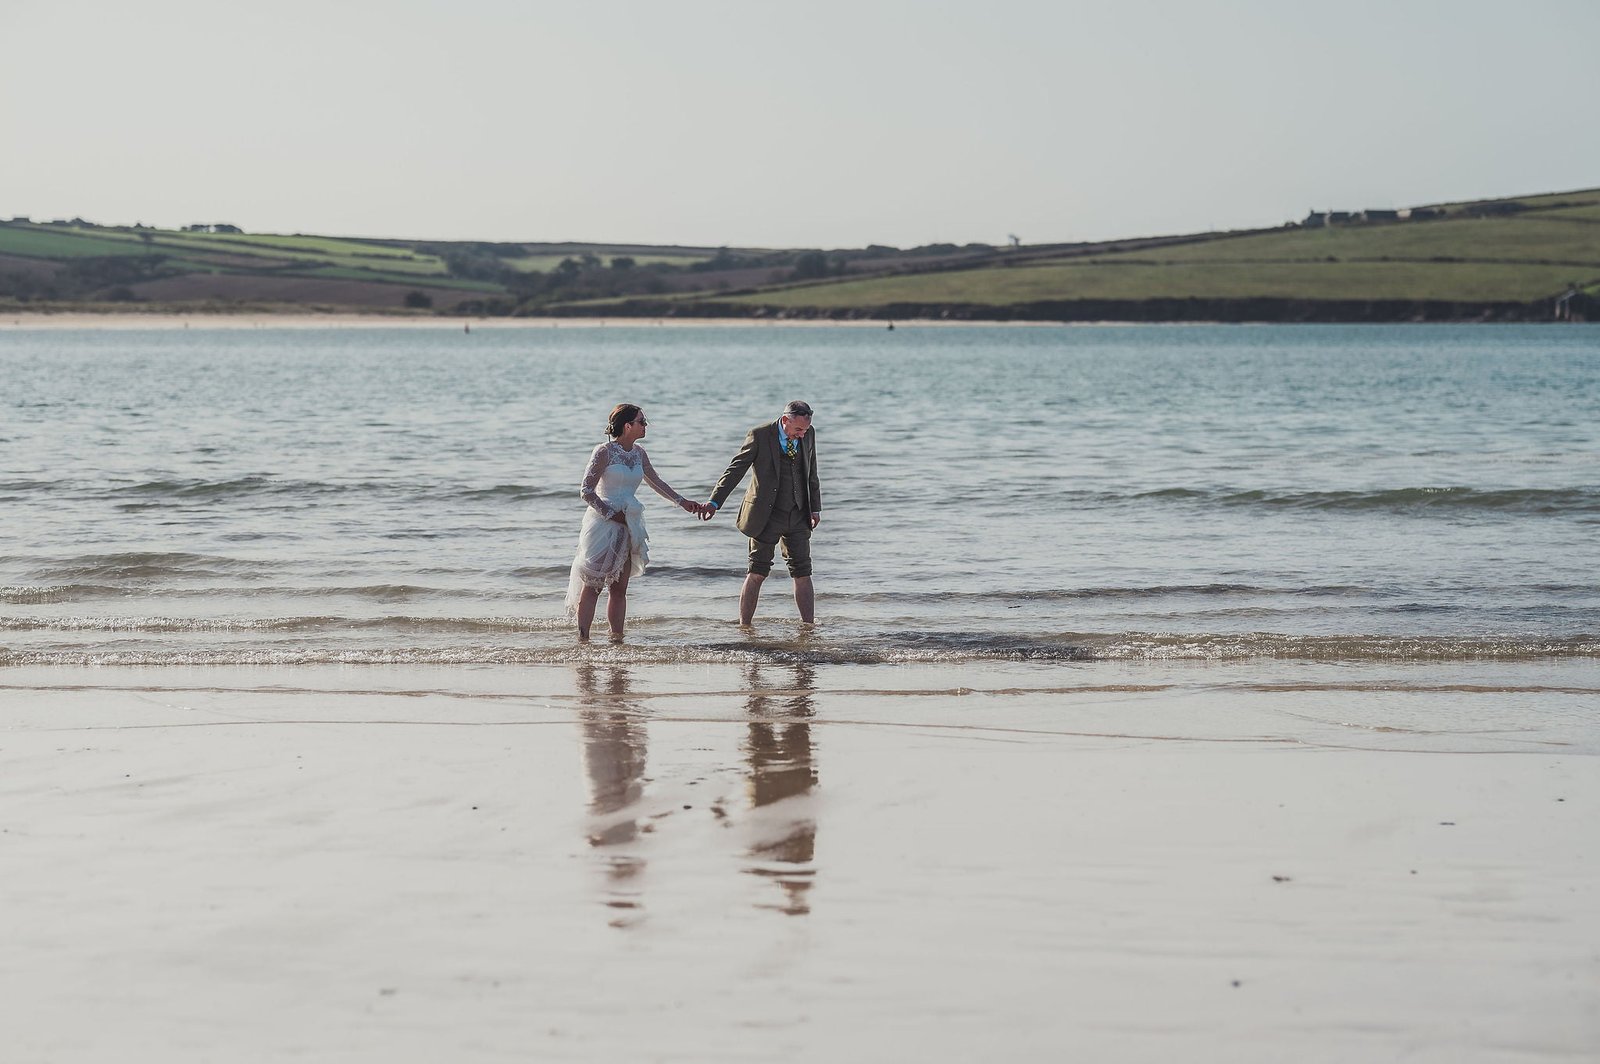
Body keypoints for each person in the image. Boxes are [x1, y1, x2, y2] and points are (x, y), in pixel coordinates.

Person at [567, 404, 703, 641]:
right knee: (593, 585)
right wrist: (611, 514)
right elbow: (586, 491)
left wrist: (683, 502)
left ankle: (617, 640)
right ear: (627, 425)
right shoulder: (604, 452)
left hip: (630, 524)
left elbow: (656, 482)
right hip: (604, 524)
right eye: (642, 421)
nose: (645, 426)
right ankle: (583, 640)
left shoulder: (639, 453)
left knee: (619, 589)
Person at [700, 400, 821, 624]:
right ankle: (744, 626)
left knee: (803, 571)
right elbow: (735, 470)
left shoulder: (809, 433)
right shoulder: (760, 435)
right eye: (798, 430)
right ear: (785, 420)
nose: (802, 435)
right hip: (766, 515)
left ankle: (808, 627)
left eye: (805, 430)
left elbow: (811, 471)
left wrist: (815, 507)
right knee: (757, 571)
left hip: (798, 514)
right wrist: (714, 502)